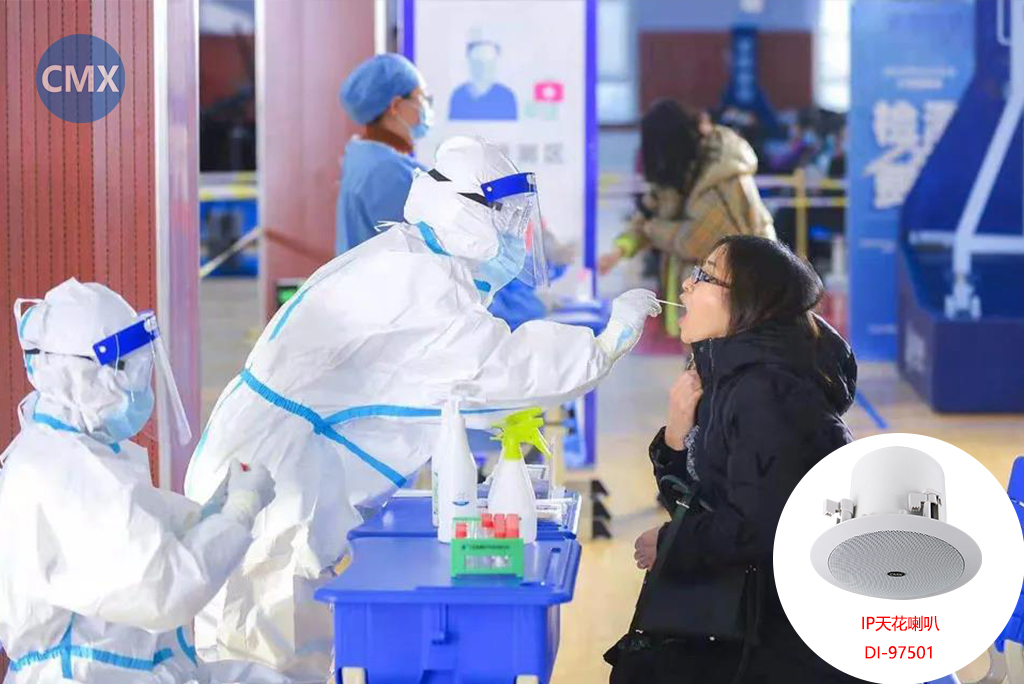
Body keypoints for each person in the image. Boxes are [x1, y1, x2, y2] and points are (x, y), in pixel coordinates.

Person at [185, 136, 661, 682]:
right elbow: (499, 369)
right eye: (506, 217)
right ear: (468, 212)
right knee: (263, 657)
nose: (516, 233)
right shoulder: (421, 282)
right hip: (272, 488)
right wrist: (606, 343)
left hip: (277, 470)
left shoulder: (414, 258)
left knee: (289, 653)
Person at [606, 236, 864, 684]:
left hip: (795, 633)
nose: (686, 285)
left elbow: (761, 529)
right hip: (754, 604)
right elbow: (702, 502)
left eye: (705, 276)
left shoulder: (769, 392)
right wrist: (676, 433)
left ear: (750, 302)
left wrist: (670, 543)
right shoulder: (727, 377)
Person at [0, 279, 283, 684]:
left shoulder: (78, 452)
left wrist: (216, 510)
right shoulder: (66, 470)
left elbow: (154, 532)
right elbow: (166, 587)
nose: (139, 384)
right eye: (124, 369)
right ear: (76, 374)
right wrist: (238, 511)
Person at [599, 100, 776, 338]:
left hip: (741, 294)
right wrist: (619, 251)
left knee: (721, 356)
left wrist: (652, 229)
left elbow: (695, 242)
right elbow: (650, 211)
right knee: (700, 355)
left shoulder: (722, 177)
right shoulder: (682, 168)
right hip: (710, 297)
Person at [336, 53, 432, 255]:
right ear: (395, 106)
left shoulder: (365, 156)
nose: (425, 106)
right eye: (421, 98)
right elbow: (425, 250)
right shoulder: (386, 172)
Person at [448, 27, 518, 121]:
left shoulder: (506, 98)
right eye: (479, 62)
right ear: (470, 62)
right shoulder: (458, 96)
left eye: (488, 63)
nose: (484, 69)